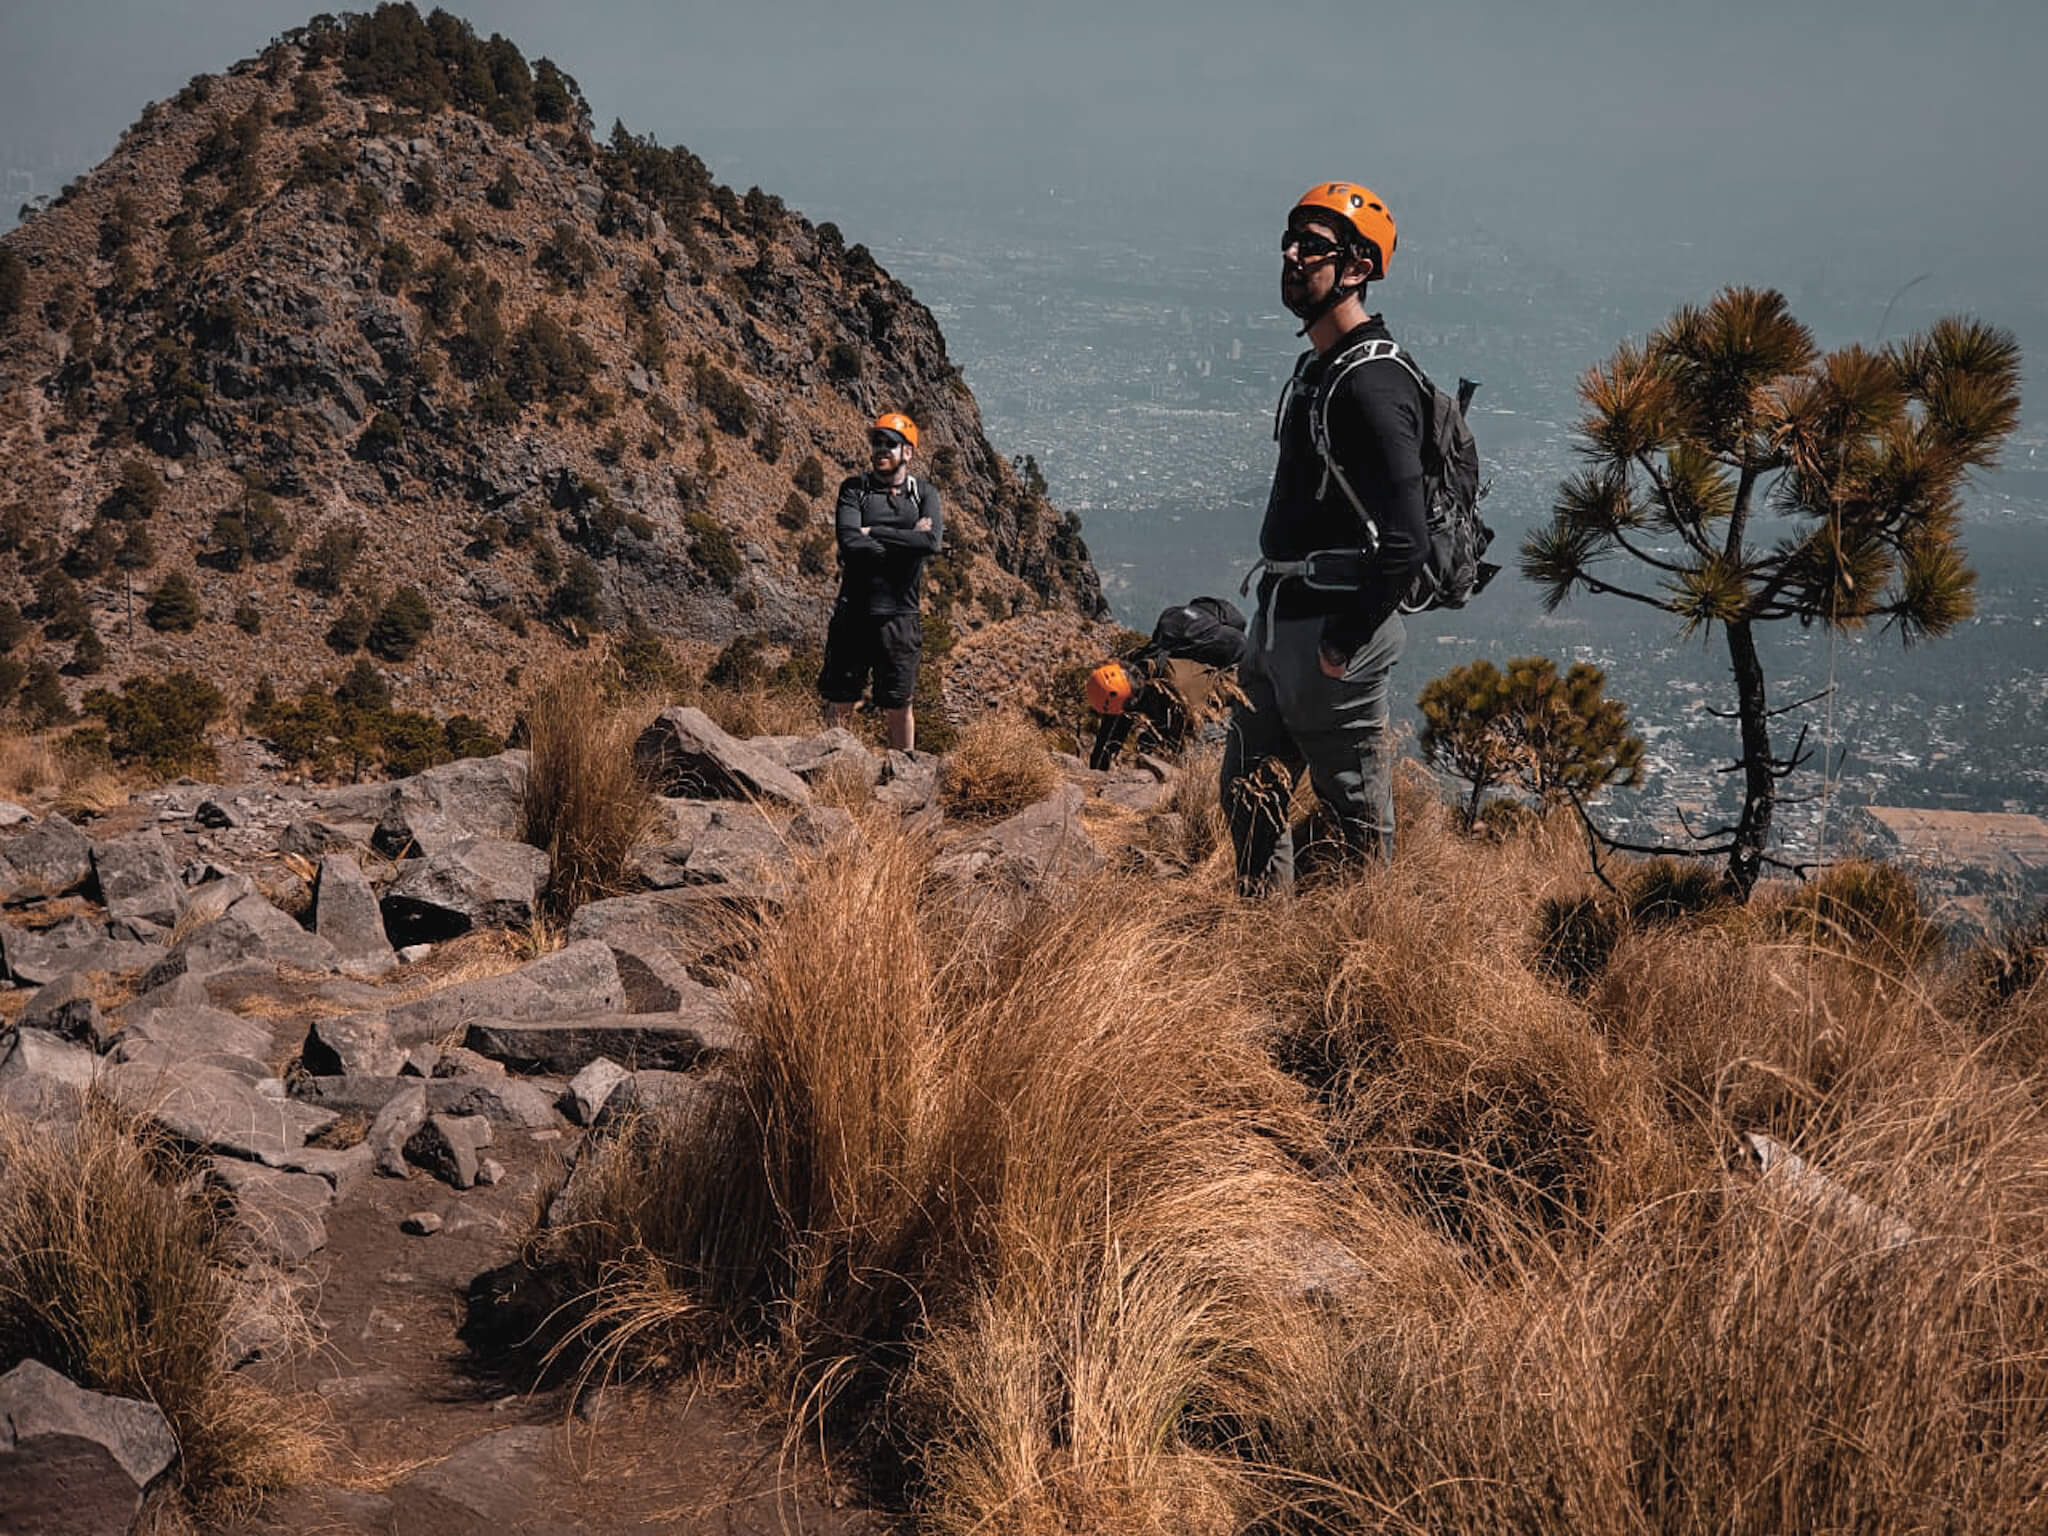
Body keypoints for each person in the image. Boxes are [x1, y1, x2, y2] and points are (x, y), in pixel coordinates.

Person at [1221, 182, 1430, 894]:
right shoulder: (1322, 366)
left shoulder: (1372, 383)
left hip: (1330, 635)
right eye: (1291, 238)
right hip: (1282, 620)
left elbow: (1409, 539)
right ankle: (1260, 945)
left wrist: (1344, 641)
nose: (1291, 254)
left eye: (1313, 244)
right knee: (1248, 791)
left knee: (1354, 820)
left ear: (1357, 269)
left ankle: (1363, 965)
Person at [817, 411, 943, 751]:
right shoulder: (854, 490)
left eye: (891, 443)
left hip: (900, 617)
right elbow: (849, 543)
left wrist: (873, 532)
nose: (881, 448)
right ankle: (831, 768)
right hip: (854, 613)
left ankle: (905, 776)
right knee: (841, 699)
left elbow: (931, 543)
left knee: (899, 704)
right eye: (876, 442)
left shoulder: (924, 494)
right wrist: (905, 541)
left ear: (909, 452)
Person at [1085, 595, 1249, 771]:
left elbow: (1190, 729)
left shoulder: (1176, 687)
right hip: (1207, 628)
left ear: (1131, 700)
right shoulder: (1131, 665)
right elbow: (1111, 730)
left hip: (1236, 674)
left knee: (1157, 743)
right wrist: (1097, 770)